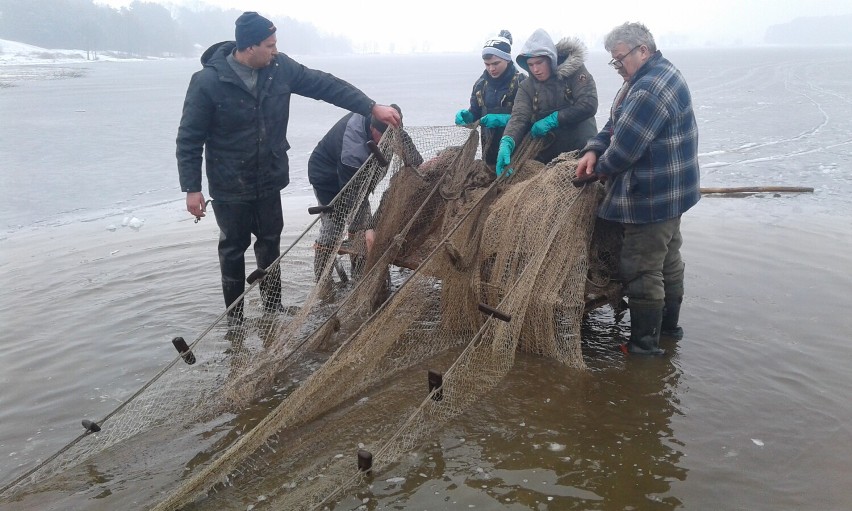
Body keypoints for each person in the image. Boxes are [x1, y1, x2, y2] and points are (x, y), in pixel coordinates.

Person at [176, 12, 400, 326]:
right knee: (233, 248)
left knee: (270, 243)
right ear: (249, 47)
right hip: (229, 184)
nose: (275, 50)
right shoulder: (208, 82)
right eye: (269, 45)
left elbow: (325, 85)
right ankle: (235, 320)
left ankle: (272, 309)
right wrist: (192, 188)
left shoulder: (280, 69)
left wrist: (370, 106)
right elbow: (189, 137)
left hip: (268, 178)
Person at [575, 22, 700, 355]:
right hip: (674, 193)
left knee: (642, 267)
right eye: (613, 61)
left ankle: (645, 346)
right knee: (668, 260)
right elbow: (615, 125)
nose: (618, 67)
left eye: (620, 59)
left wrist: (595, 171)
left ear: (642, 50)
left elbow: (625, 149)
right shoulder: (651, 75)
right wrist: (592, 148)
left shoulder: (648, 88)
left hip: (651, 195)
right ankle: (670, 331)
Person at [308, 104, 422, 285]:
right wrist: (368, 227)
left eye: (390, 137)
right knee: (333, 227)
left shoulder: (390, 126)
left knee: (360, 229)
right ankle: (323, 284)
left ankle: (359, 277)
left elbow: (414, 159)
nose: (385, 142)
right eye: (381, 137)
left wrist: (423, 166)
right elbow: (352, 194)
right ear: (371, 127)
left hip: (360, 180)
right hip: (328, 179)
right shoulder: (351, 147)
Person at [496, 28, 598, 177]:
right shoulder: (526, 87)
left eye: (539, 62)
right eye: (530, 65)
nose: (535, 69)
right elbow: (519, 117)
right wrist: (507, 142)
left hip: (582, 150)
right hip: (550, 157)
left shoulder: (575, 71)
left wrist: (553, 119)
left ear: (551, 58)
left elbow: (589, 104)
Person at [454, 30, 526, 165]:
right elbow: (475, 113)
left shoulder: (522, 83)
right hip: (489, 155)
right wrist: (468, 117)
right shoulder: (480, 85)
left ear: (507, 59)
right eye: (487, 64)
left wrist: (504, 120)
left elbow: (532, 118)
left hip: (517, 155)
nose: (491, 68)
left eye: (496, 63)